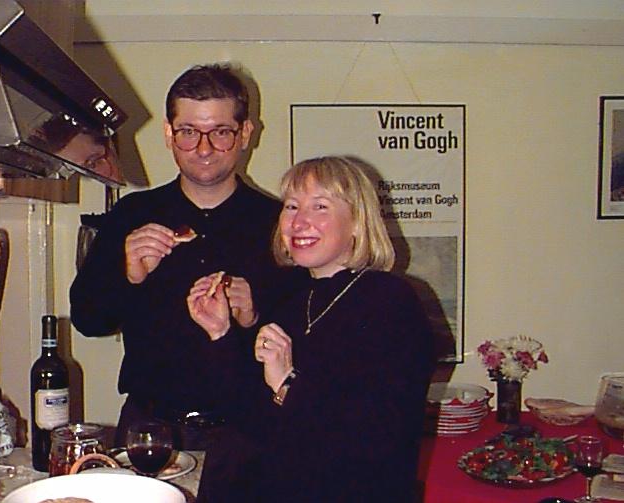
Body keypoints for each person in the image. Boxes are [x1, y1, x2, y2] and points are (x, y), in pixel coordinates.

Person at [70, 63, 303, 500]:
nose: (204, 148)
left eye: (220, 132)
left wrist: (255, 315)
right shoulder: (131, 215)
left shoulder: (279, 223)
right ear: (169, 133)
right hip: (148, 429)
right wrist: (128, 274)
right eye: (189, 132)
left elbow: (309, 335)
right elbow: (88, 320)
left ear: (245, 133)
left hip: (248, 428)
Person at [188, 155, 436, 502]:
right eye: (292, 206)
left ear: (357, 222)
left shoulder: (390, 301)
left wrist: (287, 382)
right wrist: (220, 334)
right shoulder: (293, 303)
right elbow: (251, 420)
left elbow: (373, 439)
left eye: (320, 206)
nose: (299, 221)